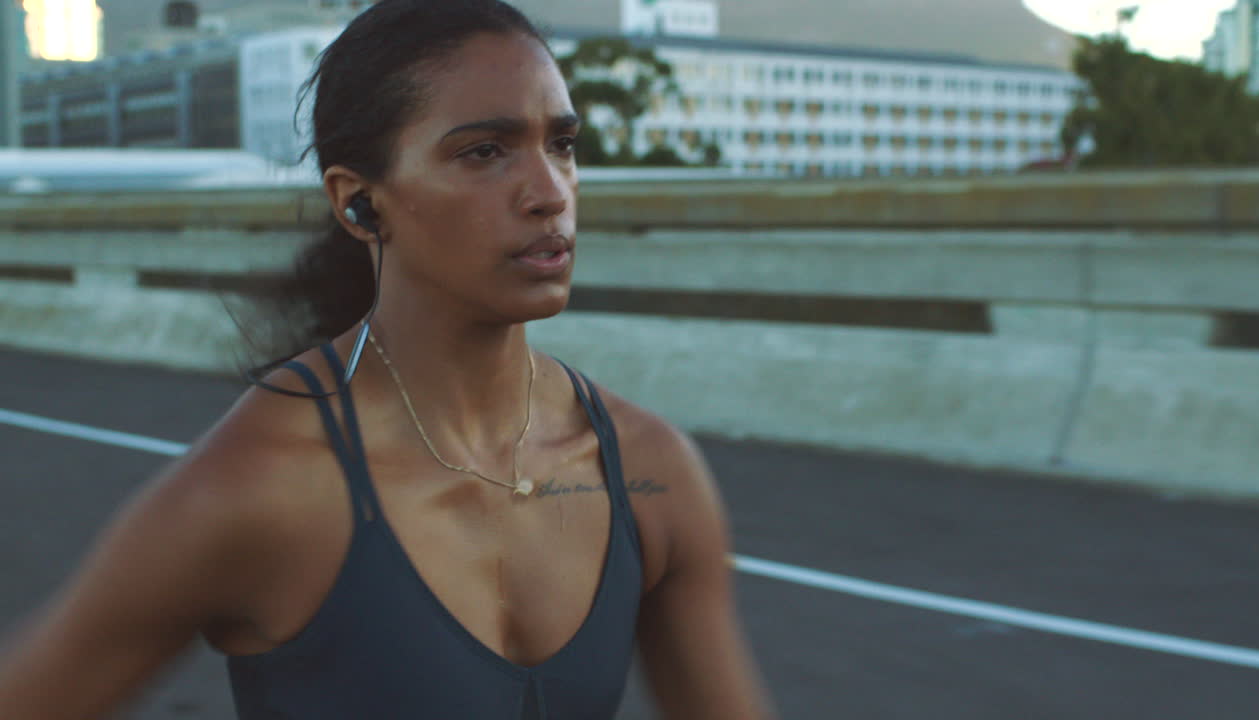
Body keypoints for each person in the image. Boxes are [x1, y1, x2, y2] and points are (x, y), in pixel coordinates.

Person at [0, 1, 776, 718]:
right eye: (485, 151)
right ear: (359, 203)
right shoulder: (261, 487)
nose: (549, 192)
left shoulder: (648, 472)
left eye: (562, 145)